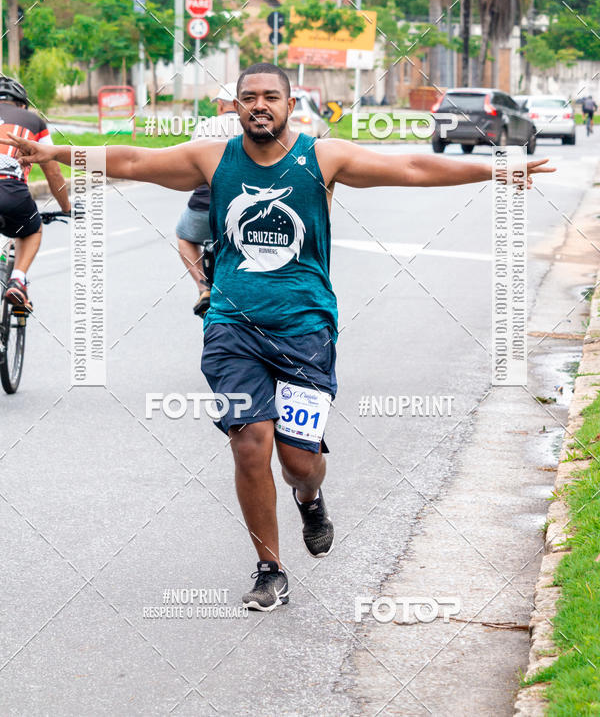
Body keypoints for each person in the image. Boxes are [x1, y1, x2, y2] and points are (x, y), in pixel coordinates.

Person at [1, 62, 554, 611]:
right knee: (249, 444)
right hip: (230, 326)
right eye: (248, 97)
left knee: (297, 460)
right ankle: (271, 569)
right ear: (236, 106)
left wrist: (494, 170)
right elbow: (136, 161)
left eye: (270, 96)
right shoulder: (212, 158)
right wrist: (60, 154)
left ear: (291, 105)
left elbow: (408, 166)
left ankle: (310, 497)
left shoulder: (322, 157)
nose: (258, 104)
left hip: (306, 327)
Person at [0, 76, 70, 310]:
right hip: (10, 192)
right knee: (32, 226)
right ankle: (17, 280)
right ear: (21, 104)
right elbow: (53, 172)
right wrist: (66, 207)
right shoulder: (33, 121)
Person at [175, 83, 241, 317]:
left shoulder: (204, 126)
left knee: (184, 237)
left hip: (205, 203)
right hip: (243, 205)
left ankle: (204, 287)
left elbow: (191, 165)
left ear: (223, 105)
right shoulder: (255, 128)